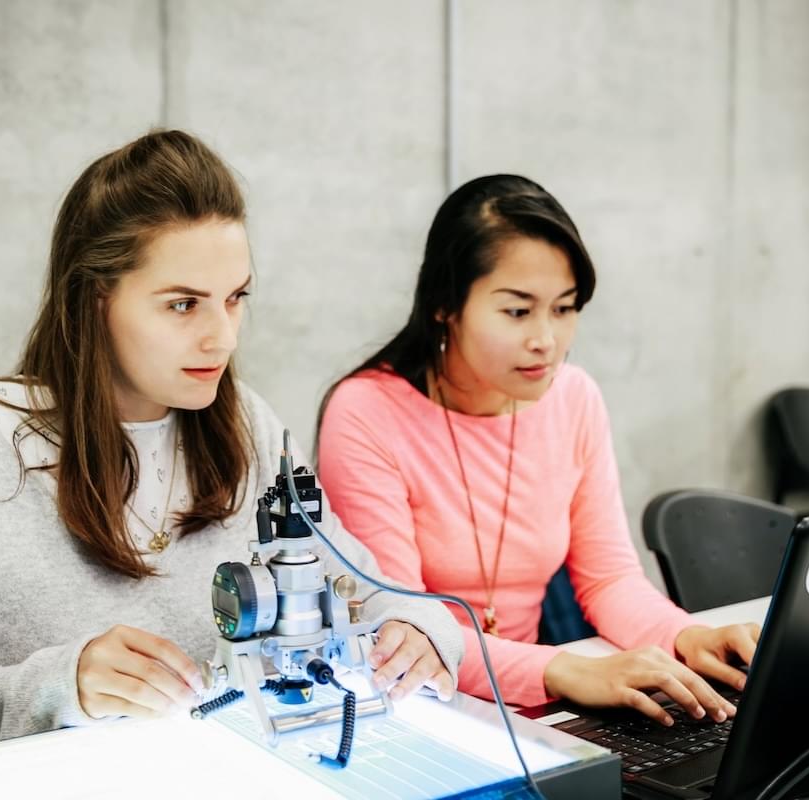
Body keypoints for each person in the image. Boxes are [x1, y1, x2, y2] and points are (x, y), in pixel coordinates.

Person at [0, 131, 460, 769]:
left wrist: (422, 633)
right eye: (183, 304)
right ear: (94, 299)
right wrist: (56, 688)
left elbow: (370, 587)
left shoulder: (250, 424)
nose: (222, 337)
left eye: (236, 298)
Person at [317, 174, 758, 720]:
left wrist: (689, 636)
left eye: (565, 308)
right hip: (414, 707)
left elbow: (608, 578)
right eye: (518, 311)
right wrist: (561, 670)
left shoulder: (573, 398)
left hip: (531, 708)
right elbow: (402, 625)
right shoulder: (367, 412)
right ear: (445, 304)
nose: (546, 340)